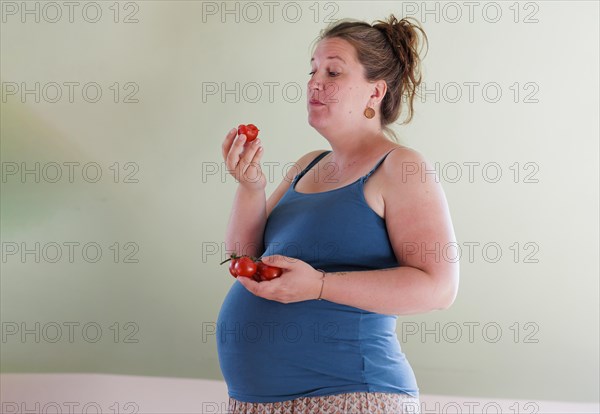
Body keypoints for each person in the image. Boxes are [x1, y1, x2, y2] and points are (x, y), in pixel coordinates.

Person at [217, 14, 459, 414]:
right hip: (256, 402)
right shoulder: (307, 165)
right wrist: (250, 186)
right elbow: (243, 257)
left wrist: (320, 285)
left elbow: (438, 289)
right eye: (312, 70)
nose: (315, 81)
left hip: (351, 397)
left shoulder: (400, 167)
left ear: (374, 92)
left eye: (333, 72)